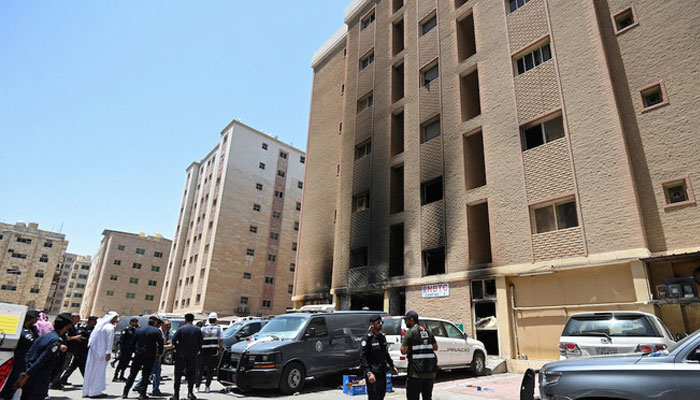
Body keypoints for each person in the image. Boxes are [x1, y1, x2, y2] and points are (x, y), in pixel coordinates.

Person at [13, 313, 73, 400]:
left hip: (32, 374)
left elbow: (30, 353)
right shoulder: (55, 340)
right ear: (66, 327)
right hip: (39, 378)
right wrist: (26, 376)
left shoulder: (46, 336)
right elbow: (41, 360)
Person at [0, 310, 38, 400]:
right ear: (29, 319)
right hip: (17, 360)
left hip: (23, 361)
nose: (36, 321)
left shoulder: (31, 329)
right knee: (11, 384)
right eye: (35, 319)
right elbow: (33, 341)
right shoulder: (22, 330)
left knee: (16, 386)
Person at [123, 316, 164, 399]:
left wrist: (135, 351)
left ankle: (125, 392)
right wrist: (160, 353)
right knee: (146, 375)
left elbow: (133, 343)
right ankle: (142, 394)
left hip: (139, 354)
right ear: (155, 323)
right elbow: (160, 343)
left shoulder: (139, 330)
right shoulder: (156, 331)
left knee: (132, 374)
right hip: (149, 355)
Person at [400, 311, 438, 400]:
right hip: (430, 372)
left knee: (413, 397)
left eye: (406, 320)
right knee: (427, 397)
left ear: (412, 320)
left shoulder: (410, 333)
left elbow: (403, 351)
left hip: (415, 373)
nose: (405, 322)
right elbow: (435, 347)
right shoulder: (428, 331)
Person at [360, 315, 398, 400]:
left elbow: (385, 354)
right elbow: (363, 357)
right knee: (374, 396)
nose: (381, 324)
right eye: (378, 323)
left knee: (381, 395)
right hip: (373, 373)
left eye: (381, 322)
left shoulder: (382, 337)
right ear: (372, 324)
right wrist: (368, 372)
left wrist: (392, 365)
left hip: (382, 372)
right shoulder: (367, 338)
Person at [83, 312, 119, 398]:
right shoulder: (109, 327)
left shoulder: (99, 326)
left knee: (90, 371)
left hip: (94, 352)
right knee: (98, 372)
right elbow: (109, 342)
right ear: (112, 318)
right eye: (115, 318)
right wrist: (108, 353)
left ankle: (87, 391)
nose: (116, 320)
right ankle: (95, 392)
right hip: (102, 353)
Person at [170, 313, 202, 400]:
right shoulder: (198, 330)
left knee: (178, 375)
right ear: (193, 319)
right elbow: (200, 343)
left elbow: (173, 340)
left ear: (185, 319)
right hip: (192, 355)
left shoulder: (181, 329)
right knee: (191, 374)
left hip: (181, 355)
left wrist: (178, 347)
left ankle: (176, 395)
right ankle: (190, 393)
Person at [60, 315, 97, 385]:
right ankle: (88, 381)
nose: (95, 323)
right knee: (81, 365)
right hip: (80, 350)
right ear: (90, 321)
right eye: (94, 321)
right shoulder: (83, 328)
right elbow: (79, 338)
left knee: (74, 366)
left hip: (86, 351)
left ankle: (63, 379)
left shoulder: (94, 330)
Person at [50, 313, 80, 389]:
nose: (79, 319)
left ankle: (57, 381)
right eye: (77, 318)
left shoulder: (72, 326)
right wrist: (75, 338)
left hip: (70, 349)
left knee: (64, 366)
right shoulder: (68, 326)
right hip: (66, 349)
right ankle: (54, 382)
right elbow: (66, 337)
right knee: (61, 366)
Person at [196, 312, 223, 393]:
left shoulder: (203, 328)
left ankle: (197, 387)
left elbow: (199, 340)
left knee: (200, 370)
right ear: (216, 320)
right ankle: (207, 387)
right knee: (210, 371)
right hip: (213, 352)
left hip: (203, 352)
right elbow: (221, 340)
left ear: (209, 320)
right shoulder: (219, 329)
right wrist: (220, 350)